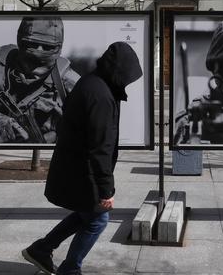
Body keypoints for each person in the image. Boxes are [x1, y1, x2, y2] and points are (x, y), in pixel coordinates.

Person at [22, 42, 143, 275]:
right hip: (83, 171)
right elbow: (101, 148)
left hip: (74, 167)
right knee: (98, 220)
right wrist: (106, 190)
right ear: (118, 72)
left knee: (86, 214)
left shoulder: (91, 83)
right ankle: (70, 268)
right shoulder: (101, 96)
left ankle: (42, 248)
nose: (127, 82)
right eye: (127, 77)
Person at [0, 16, 80, 144]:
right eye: (32, 44)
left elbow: (89, 132)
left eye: (48, 47)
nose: (39, 51)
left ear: (59, 46)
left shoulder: (71, 85)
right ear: (20, 41)